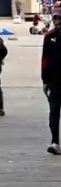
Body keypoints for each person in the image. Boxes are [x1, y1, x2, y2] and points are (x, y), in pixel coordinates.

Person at [44, 14, 61, 154]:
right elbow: (45, 59)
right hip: (54, 81)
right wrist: (45, 80)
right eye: (55, 19)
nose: (57, 22)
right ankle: (55, 141)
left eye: (59, 19)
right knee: (54, 112)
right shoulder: (49, 36)